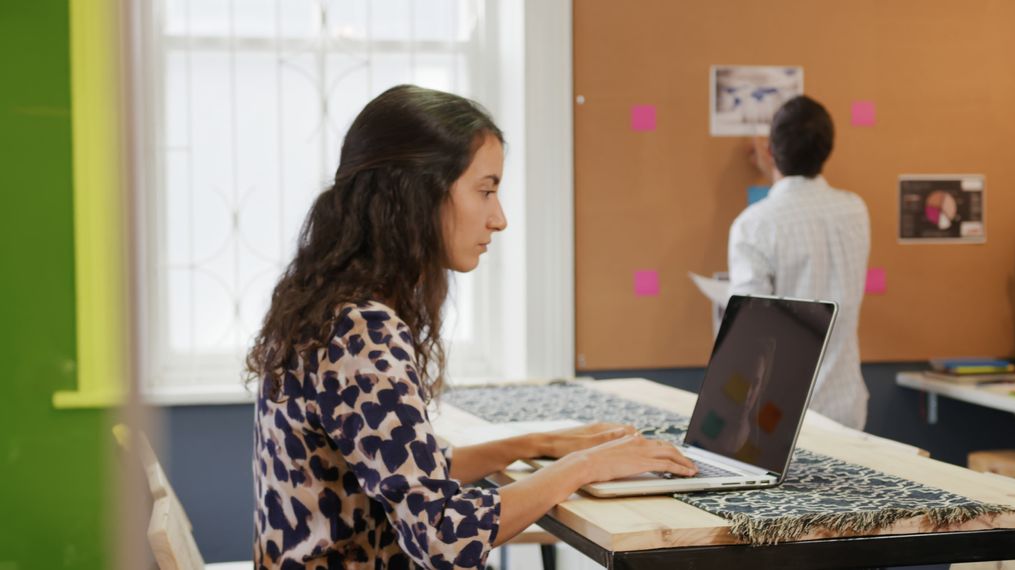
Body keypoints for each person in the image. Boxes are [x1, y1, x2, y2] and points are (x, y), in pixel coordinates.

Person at [247, 85, 696, 569]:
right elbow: (443, 536)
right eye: (485, 191)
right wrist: (587, 466)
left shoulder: (328, 310)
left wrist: (537, 445)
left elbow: (410, 470)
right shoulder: (363, 331)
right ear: (416, 194)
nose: (498, 219)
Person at [728, 95, 871, 430]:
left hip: (780, 414)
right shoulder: (855, 211)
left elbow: (749, 332)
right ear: (828, 151)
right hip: (846, 407)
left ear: (770, 151)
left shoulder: (754, 225)